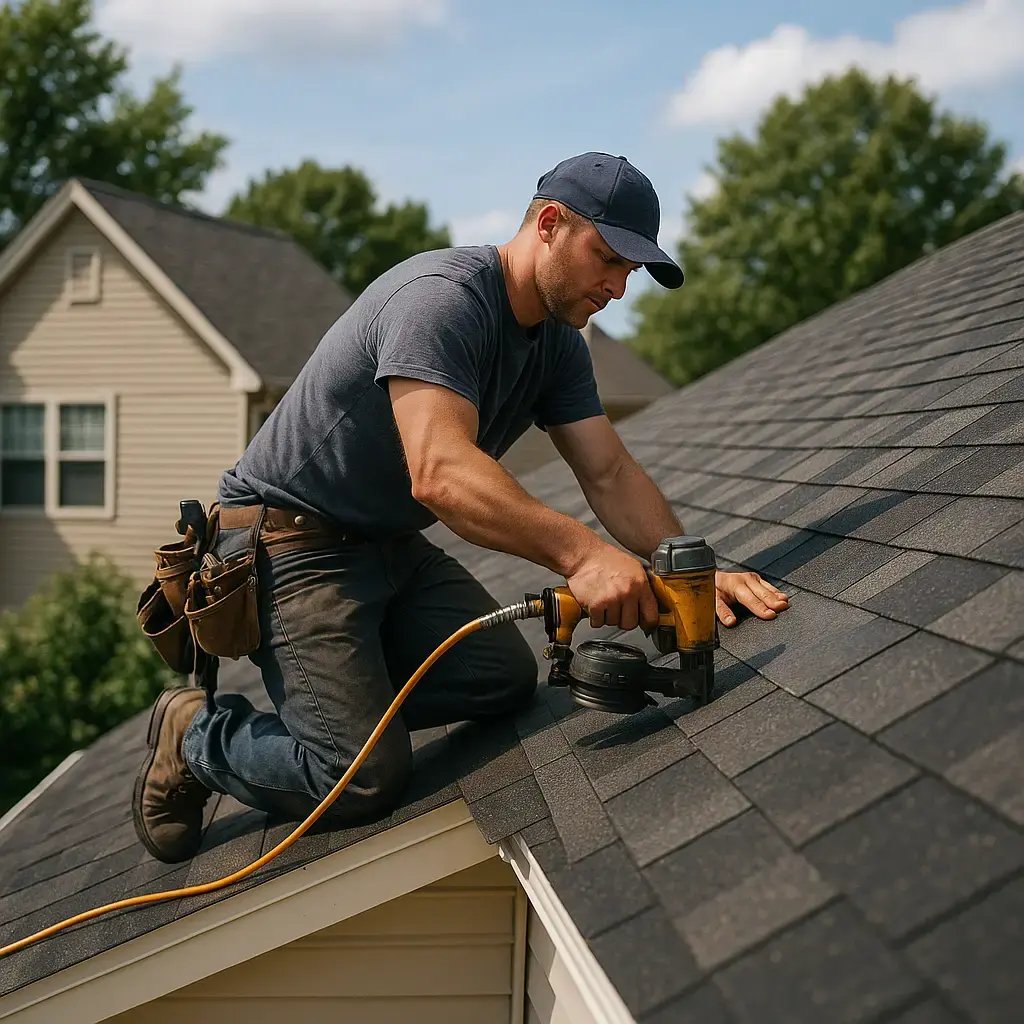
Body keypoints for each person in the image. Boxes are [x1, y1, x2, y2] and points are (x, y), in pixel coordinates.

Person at [132, 152, 789, 863]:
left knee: (502, 678)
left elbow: (609, 469)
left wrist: (687, 567)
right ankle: (195, 732)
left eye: (630, 272)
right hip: (288, 545)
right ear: (548, 224)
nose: (617, 287)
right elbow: (440, 474)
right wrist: (585, 554)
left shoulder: (557, 345)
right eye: (608, 258)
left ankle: (338, 702)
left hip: (383, 543)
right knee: (358, 778)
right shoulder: (443, 300)